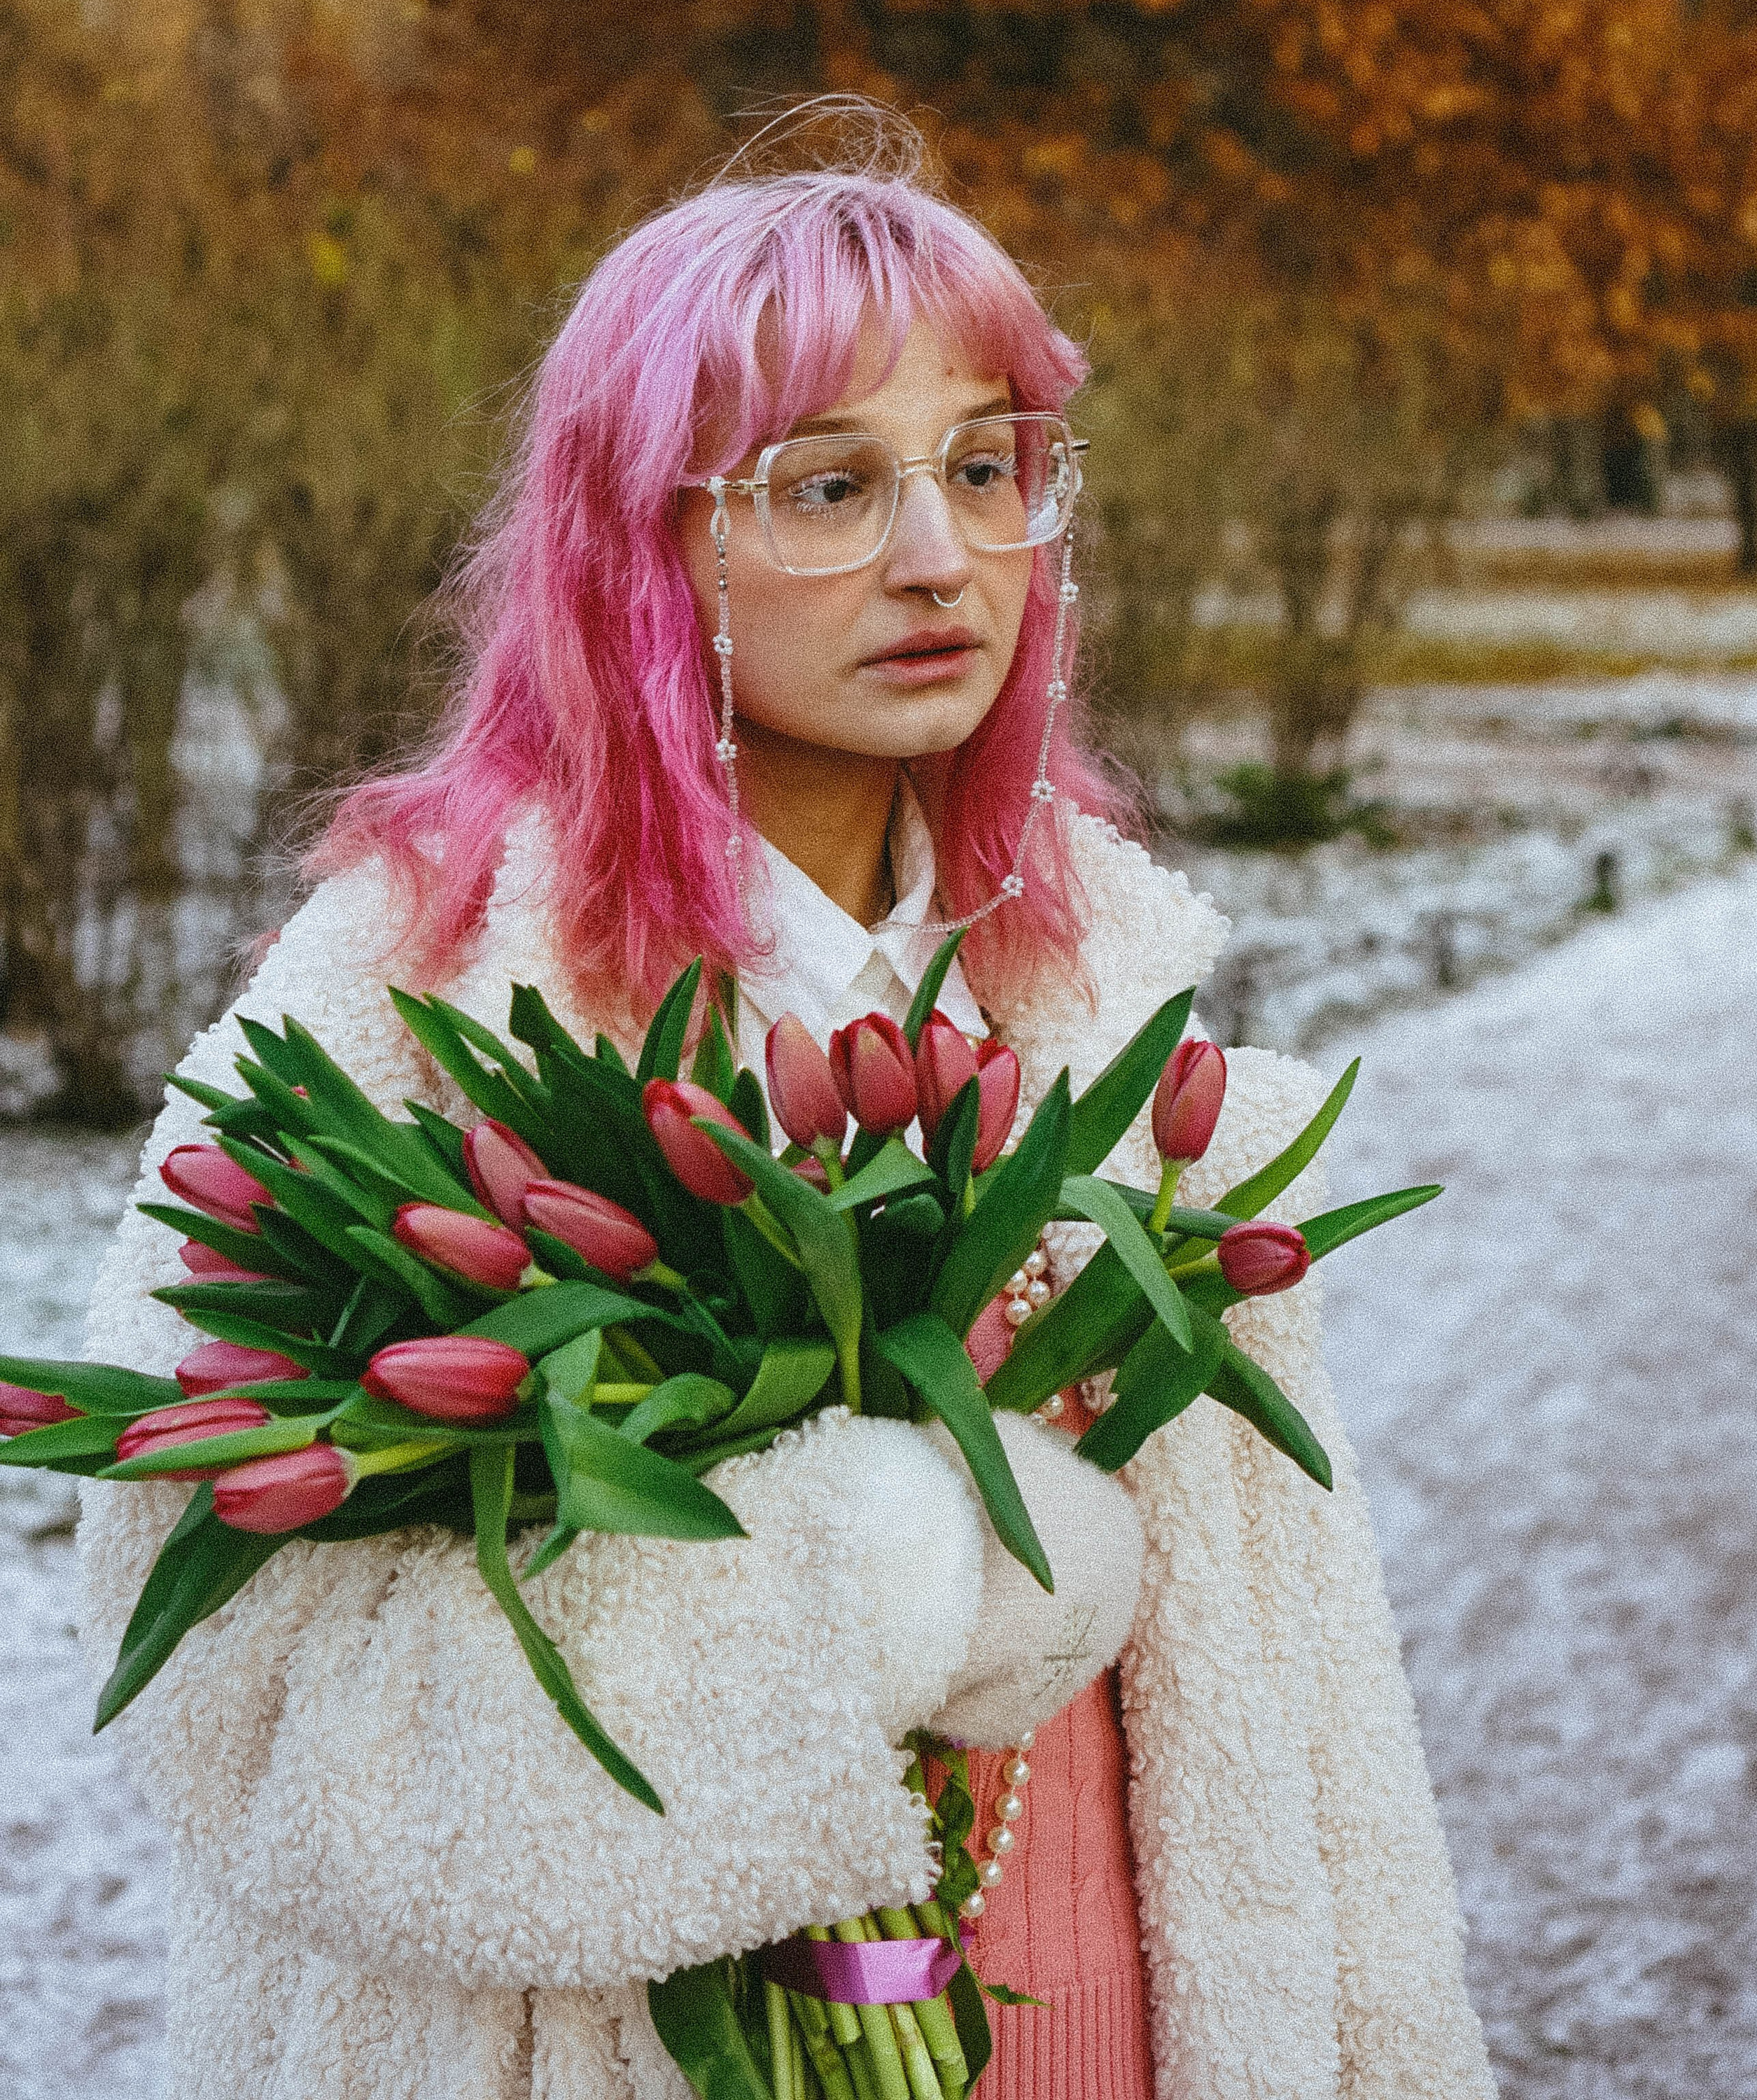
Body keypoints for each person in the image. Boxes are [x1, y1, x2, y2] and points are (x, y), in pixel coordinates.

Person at [78, 140, 1495, 2099]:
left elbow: (1308, 1737)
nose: (939, 560)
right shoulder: (410, 1000)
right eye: (830, 488)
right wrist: (881, 1575)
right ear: (638, 547)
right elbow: (230, 1680)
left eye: (985, 466)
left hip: (1141, 2027)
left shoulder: (1093, 989)